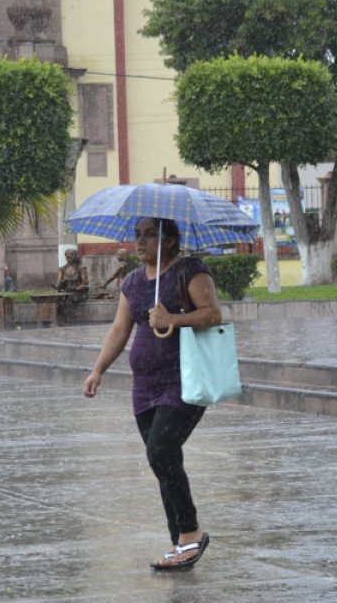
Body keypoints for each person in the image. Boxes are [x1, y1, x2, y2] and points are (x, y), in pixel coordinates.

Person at [82, 217, 222, 572]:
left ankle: (191, 532)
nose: (140, 243)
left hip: (184, 380)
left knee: (161, 450)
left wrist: (173, 318)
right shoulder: (131, 282)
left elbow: (212, 314)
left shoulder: (189, 271)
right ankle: (179, 543)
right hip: (144, 386)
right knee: (162, 461)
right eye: (137, 236)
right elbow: (119, 329)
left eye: (149, 235)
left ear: (171, 240)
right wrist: (98, 369)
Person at [55, 248, 90, 321]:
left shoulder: (81, 269)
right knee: (58, 300)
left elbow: (85, 284)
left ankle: (70, 319)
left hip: (79, 292)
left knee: (70, 298)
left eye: (70, 257)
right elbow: (58, 283)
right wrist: (58, 286)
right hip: (66, 292)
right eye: (67, 257)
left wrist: (75, 288)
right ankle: (58, 319)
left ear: (75, 256)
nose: (68, 259)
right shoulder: (62, 269)